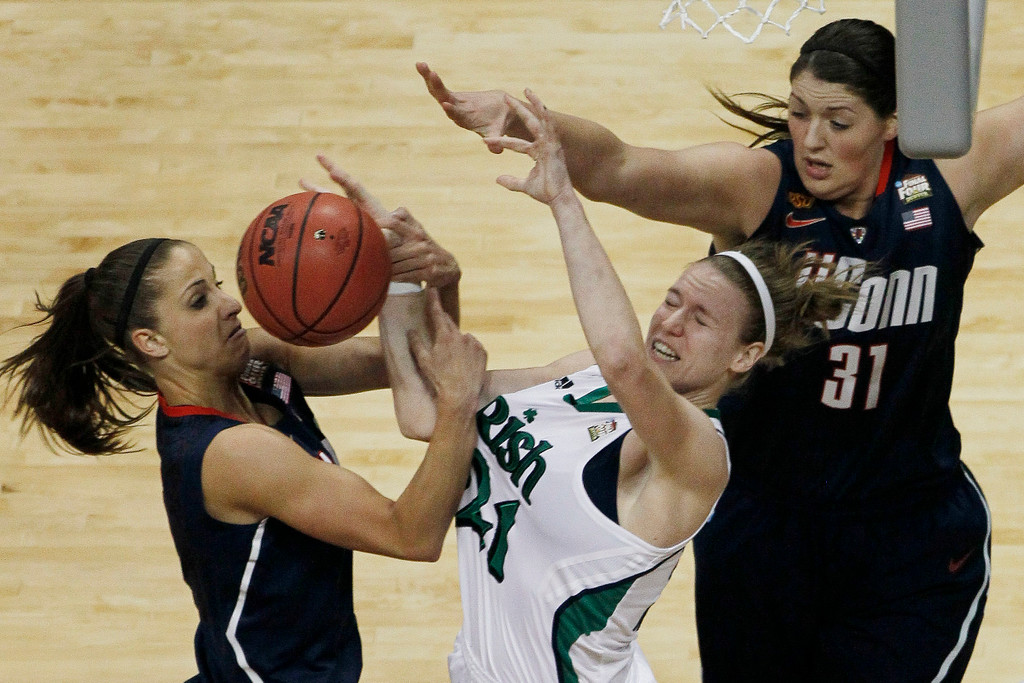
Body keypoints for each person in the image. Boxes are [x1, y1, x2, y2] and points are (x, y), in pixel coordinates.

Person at [416, 17, 1024, 681]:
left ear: (893, 120)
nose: (812, 140)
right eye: (797, 113)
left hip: (909, 530)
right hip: (763, 525)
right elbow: (621, 165)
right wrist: (536, 124)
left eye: (839, 122)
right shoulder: (757, 184)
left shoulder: (947, 177)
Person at [331, 88, 855, 681]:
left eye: (700, 319)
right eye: (671, 299)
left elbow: (625, 362)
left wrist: (563, 196)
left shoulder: (698, 456)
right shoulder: (585, 374)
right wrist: (401, 271)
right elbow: (431, 408)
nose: (670, 323)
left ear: (745, 355)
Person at [0, 165, 487, 683]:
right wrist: (459, 409)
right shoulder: (234, 455)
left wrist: (418, 278)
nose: (231, 304)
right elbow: (410, 534)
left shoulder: (251, 362)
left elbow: (412, 367)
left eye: (214, 283)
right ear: (151, 341)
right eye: (199, 300)